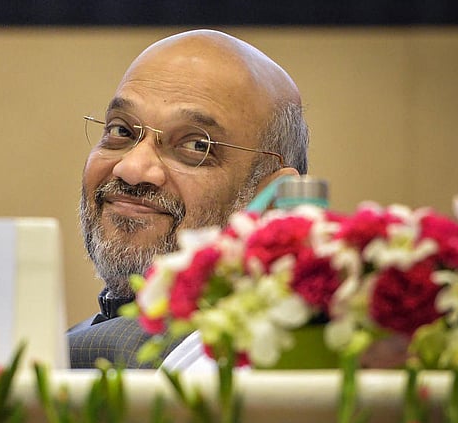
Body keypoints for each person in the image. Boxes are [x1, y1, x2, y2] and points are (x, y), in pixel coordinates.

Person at [68, 29, 309, 369]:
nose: (132, 168)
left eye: (197, 146)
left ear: (273, 201)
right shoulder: (47, 344)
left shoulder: (257, 371)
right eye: (121, 131)